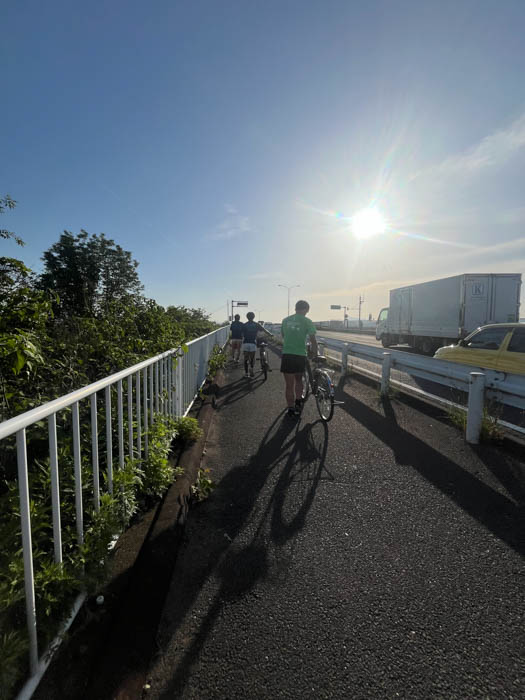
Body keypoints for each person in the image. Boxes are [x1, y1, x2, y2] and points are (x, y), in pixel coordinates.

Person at [280, 299, 318, 417]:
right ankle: (298, 402)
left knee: (289, 385)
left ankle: (290, 409)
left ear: (296, 308)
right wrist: (314, 353)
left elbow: (283, 335)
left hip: (287, 354)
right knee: (298, 380)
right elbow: (313, 340)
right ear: (306, 309)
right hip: (300, 355)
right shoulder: (307, 321)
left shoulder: (285, 320)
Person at [242, 312, 272, 378]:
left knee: (246, 359)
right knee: (252, 358)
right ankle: (251, 369)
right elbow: (264, 330)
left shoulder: (244, 325)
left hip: (246, 343)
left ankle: (246, 373)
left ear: (247, 317)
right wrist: (270, 334)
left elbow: (242, 334)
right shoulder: (256, 324)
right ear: (254, 317)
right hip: (253, 343)